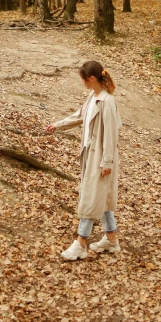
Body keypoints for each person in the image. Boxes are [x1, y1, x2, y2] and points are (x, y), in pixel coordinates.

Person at [47, 60, 122, 261]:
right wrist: (58, 124)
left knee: (90, 197)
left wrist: (107, 162)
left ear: (91, 78)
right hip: (90, 153)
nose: (83, 83)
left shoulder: (108, 102)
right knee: (101, 197)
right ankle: (112, 239)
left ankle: (80, 242)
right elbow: (80, 116)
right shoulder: (92, 97)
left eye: (83, 79)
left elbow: (111, 135)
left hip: (102, 157)